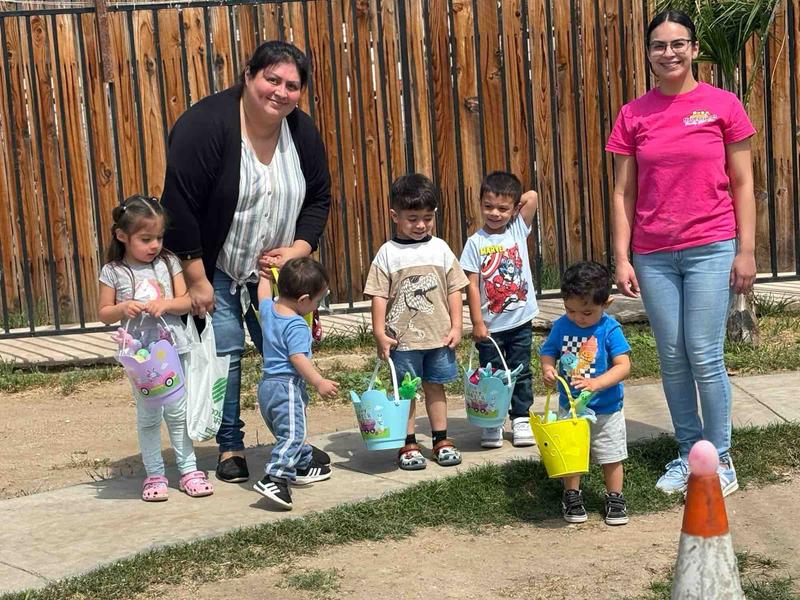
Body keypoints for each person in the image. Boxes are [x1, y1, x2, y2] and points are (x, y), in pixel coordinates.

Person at [161, 41, 332, 485]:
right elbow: (178, 208)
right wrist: (196, 279)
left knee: (288, 351)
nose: (280, 92)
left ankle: (290, 441)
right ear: (248, 75)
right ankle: (230, 446)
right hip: (215, 262)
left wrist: (298, 249)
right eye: (271, 79)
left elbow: (318, 198)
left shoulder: (302, 131)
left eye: (291, 85)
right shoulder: (205, 126)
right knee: (228, 352)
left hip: (277, 271)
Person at [607, 10, 756, 497]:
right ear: (647, 53)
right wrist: (623, 257)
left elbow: (743, 183)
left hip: (711, 247)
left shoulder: (722, 104)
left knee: (704, 354)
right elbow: (622, 193)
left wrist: (746, 251)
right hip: (652, 254)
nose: (667, 53)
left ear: (693, 49)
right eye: (657, 45)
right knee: (671, 357)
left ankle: (720, 458)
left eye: (677, 44)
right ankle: (687, 451)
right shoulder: (634, 114)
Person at [98, 195, 214, 502]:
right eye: (146, 238)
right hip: (139, 356)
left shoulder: (169, 262)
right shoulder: (113, 271)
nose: (154, 245)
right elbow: (104, 312)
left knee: (178, 411)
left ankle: (189, 470)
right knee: (148, 415)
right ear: (122, 236)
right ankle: (155, 474)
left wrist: (166, 304)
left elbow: (187, 301)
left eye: (159, 237)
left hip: (173, 348)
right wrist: (123, 307)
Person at [364, 173, 470, 470]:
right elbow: (378, 296)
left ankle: (440, 440)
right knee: (406, 392)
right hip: (403, 341)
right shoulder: (387, 254)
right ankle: (408, 443)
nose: (421, 225)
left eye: (427, 217)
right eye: (412, 218)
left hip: (438, 337)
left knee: (436, 387)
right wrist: (379, 332)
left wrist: (457, 326)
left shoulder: (441, 249)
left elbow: (454, 289)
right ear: (395, 216)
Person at [540, 261, 631, 525]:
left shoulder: (609, 328)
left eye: (587, 312)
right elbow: (549, 351)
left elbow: (623, 366)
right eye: (571, 310)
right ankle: (572, 494)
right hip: (571, 409)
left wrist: (597, 383)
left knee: (611, 455)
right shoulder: (561, 326)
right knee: (572, 454)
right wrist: (547, 369)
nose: (578, 318)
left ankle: (615, 496)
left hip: (607, 407)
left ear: (607, 304)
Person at [460, 171, 539, 448]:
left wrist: (515, 209)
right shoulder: (475, 242)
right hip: (491, 326)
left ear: (514, 209)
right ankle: (492, 421)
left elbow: (533, 197)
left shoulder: (518, 228)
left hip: (520, 321)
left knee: (521, 371)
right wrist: (477, 322)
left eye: (503, 208)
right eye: (488, 206)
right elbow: (470, 285)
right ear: (480, 204)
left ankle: (520, 418)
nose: (494, 213)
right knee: (490, 374)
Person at [252, 257, 338, 510]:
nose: (316, 306)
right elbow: (297, 357)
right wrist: (318, 381)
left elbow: (263, 295)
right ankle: (275, 477)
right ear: (303, 300)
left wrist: (264, 276)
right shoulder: (297, 325)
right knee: (293, 433)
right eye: (318, 300)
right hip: (287, 386)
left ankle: (301, 462)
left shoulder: (270, 311)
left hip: (267, 385)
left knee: (286, 430)